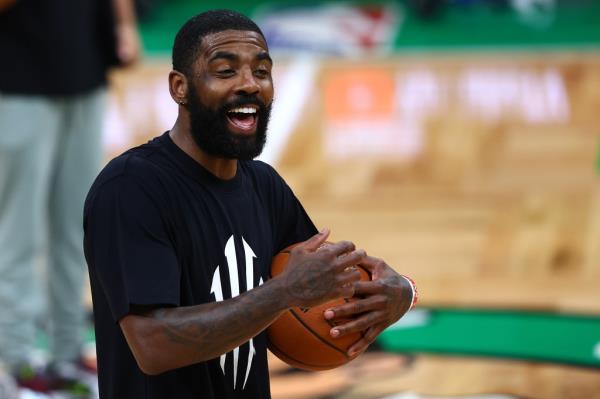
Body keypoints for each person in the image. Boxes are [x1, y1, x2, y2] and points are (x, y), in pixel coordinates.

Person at [83, 9, 417, 399]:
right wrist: (282, 293)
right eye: (225, 71)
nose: (250, 84)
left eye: (261, 71)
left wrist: (400, 293)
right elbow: (153, 345)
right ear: (180, 87)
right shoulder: (132, 188)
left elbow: (324, 291)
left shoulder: (264, 186)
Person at [0, 0, 140, 396]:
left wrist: (123, 23)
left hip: (86, 69)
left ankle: (67, 352)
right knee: (18, 230)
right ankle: (18, 360)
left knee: (78, 227)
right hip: (17, 82)